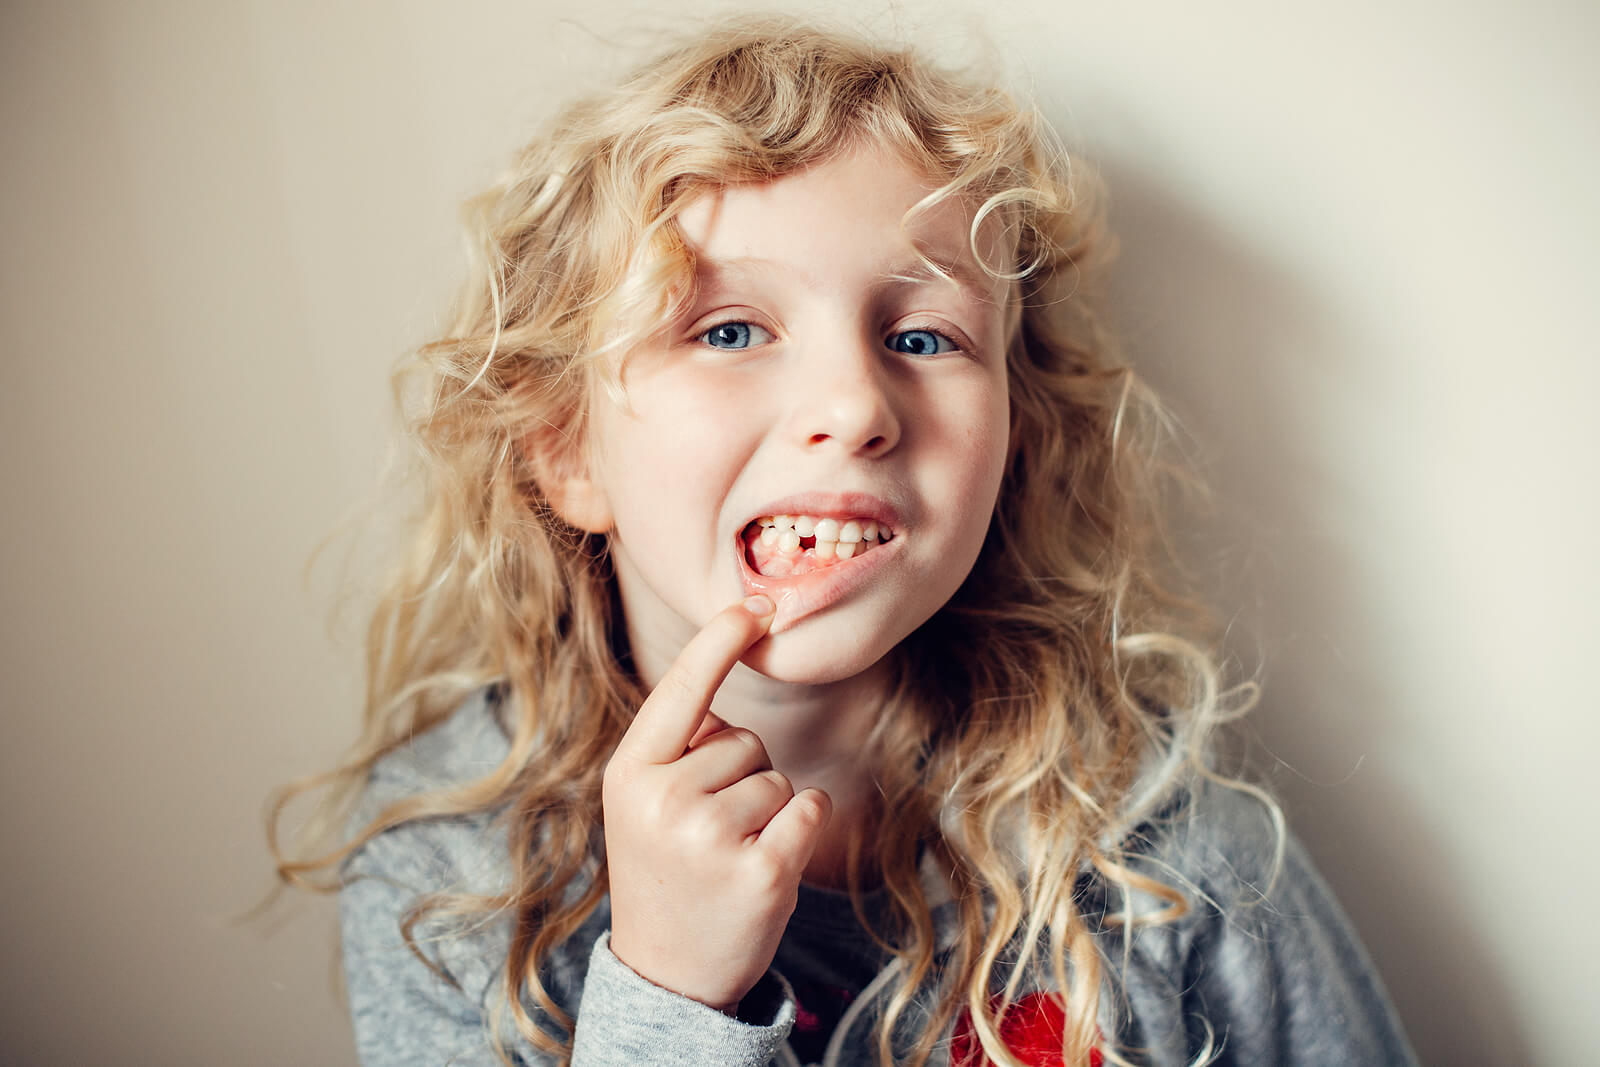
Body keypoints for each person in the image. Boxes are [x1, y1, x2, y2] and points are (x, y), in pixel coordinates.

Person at [270, 18, 1417, 1067]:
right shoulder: (449, 875)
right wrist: (670, 995)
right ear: (566, 448)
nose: (856, 403)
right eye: (728, 328)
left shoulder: (1152, 832)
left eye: (923, 335)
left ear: (1013, 444)